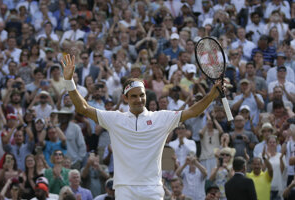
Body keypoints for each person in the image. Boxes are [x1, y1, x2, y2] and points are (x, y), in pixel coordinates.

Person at [61, 54, 222, 199]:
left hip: (152, 190)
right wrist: (69, 82)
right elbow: (82, 108)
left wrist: (212, 94)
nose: (139, 99)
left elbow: (193, 111)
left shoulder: (161, 117)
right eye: (134, 96)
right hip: (124, 190)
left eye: (142, 95)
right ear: (125, 98)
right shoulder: (115, 118)